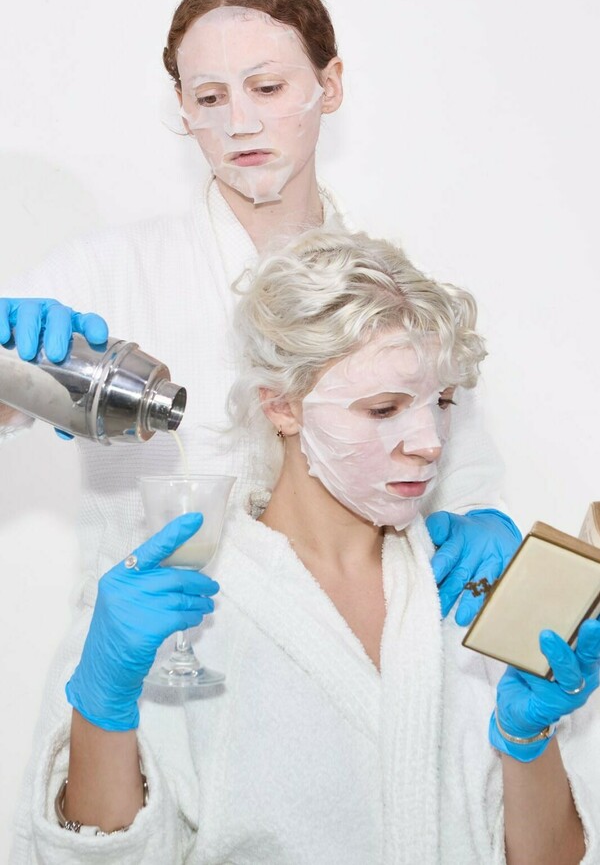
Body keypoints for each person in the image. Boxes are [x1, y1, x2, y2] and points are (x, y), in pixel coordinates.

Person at [13, 228, 600, 863]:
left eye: (443, 402)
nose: (430, 440)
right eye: (383, 408)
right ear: (282, 406)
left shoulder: (470, 592)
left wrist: (527, 738)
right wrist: (103, 704)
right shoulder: (180, 603)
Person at [0, 0, 520, 626]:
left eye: (267, 87)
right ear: (183, 109)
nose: (241, 122)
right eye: (210, 98)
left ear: (329, 85)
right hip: (149, 675)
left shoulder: (390, 293)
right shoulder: (106, 272)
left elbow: (463, 474)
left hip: (343, 663)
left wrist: (483, 523)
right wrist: (7, 374)